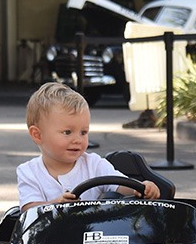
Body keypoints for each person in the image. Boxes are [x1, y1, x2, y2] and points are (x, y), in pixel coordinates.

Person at [17, 82, 161, 210]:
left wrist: (141, 188)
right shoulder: (29, 172)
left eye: (83, 132)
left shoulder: (94, 164)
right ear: (37, 135)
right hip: (49, 237)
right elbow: (29, 209)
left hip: (95, 233)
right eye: (67, 132)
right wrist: (55, 204)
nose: (77, 140)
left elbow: (121, 185)